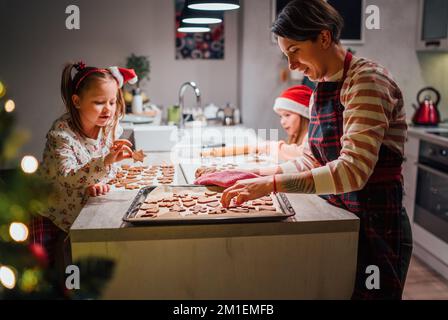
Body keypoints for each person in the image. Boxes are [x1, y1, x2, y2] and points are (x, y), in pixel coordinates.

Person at [203, 0, 412, 299]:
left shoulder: (365, 81)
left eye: (294, 51)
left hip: (379, 222)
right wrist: (250, 174)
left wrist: (270, 184)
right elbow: (310, 160)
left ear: (324, 38)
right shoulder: (320, 91)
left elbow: (353, 172)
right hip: (342, 216)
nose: (291, 65)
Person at [30, 61, 138, 277]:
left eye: (113, 101)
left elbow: (106, 170)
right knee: (41, 274)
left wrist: (99, 182)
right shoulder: (60, 136)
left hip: (79, 209)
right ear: (77, 101)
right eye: (99, 102)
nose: (108, 109)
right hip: (50, 212)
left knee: (75, 260)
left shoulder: (109, 127)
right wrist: (105, 162)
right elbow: (69, 176)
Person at [256, 85, 313, 161]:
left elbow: (300, 154)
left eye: (287, 115)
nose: (282, 122)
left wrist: (263, 147)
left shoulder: (312, 141)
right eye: (280, 116)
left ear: (304, 115)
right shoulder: (295, 139)